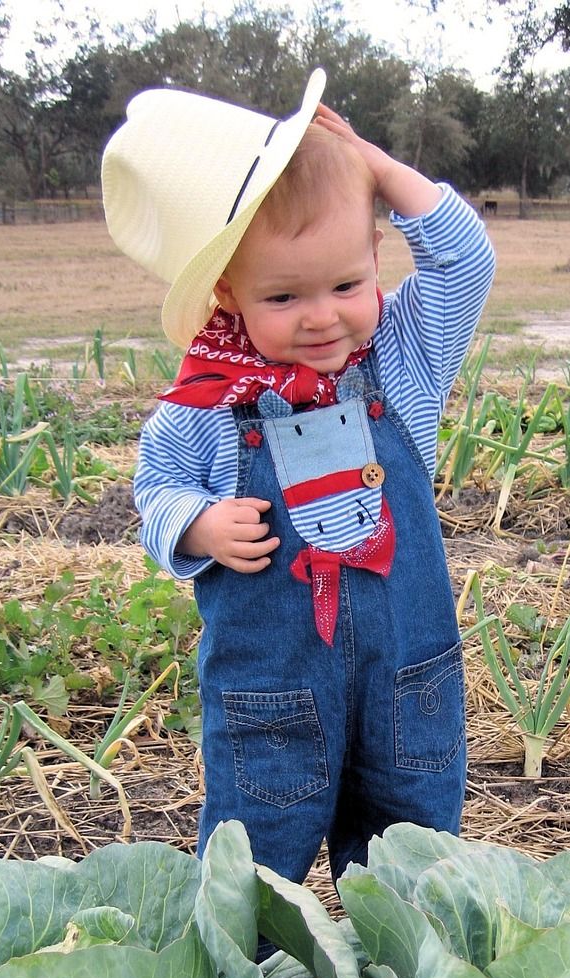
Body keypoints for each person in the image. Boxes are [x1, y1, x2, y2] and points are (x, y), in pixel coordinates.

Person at [102, 70, 495, 889]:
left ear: (376, 258)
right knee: (256, 852)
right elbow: (158, 485)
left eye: (347, 285)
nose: (323, 316)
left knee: (410, 850)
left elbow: (464, 261)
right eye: (283, 296)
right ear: (229, 293)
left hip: (404, 676)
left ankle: (401, 962)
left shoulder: (403, 361)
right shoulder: (209, 402)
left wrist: (371, 166)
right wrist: (198, 525)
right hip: (272, 690)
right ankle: (249, 966)